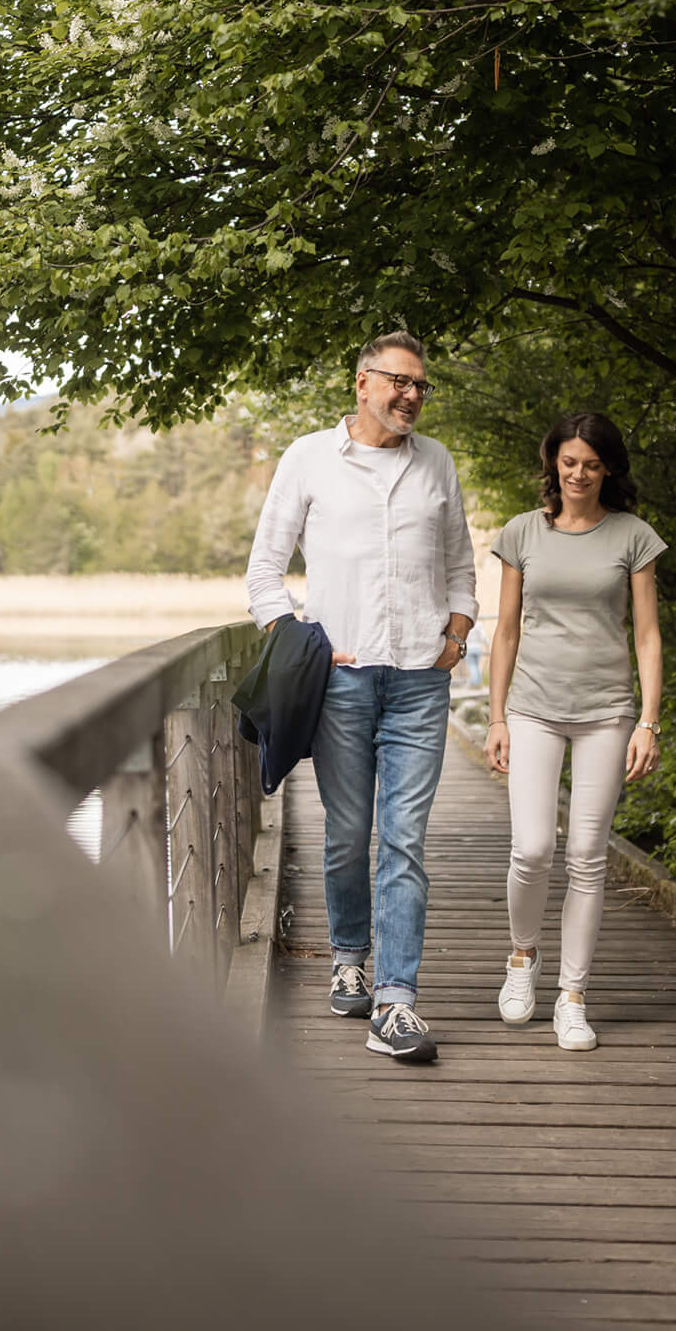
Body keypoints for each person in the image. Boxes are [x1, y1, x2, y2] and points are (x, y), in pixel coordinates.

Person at [246, 332, 476, 1063]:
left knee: (403, 841)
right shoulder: (309, 458)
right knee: (348, 836)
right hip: (341, 682)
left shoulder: (435, 463)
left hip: (421, 683)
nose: (411, 395)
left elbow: (462, 565)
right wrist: (300, 637)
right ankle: (349, 953)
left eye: (421, 386)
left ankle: (396, 1001)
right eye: (399, 381)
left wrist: (458, 634)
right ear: (361, 383)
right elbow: (263, 572)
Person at [484, 411, 664, 1051]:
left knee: (588, 857)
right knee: (532, 849)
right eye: (568, 462)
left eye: (591, 464)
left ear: (608, 468)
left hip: (607, 713)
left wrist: (648, 720)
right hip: (532, 706)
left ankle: (573, 996)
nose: (578, 474)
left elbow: (646, 634)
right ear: (552, 464)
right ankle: (522, 957)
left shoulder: (633, 536)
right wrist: (496, 716)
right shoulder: (521, 533)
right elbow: (505, 631)